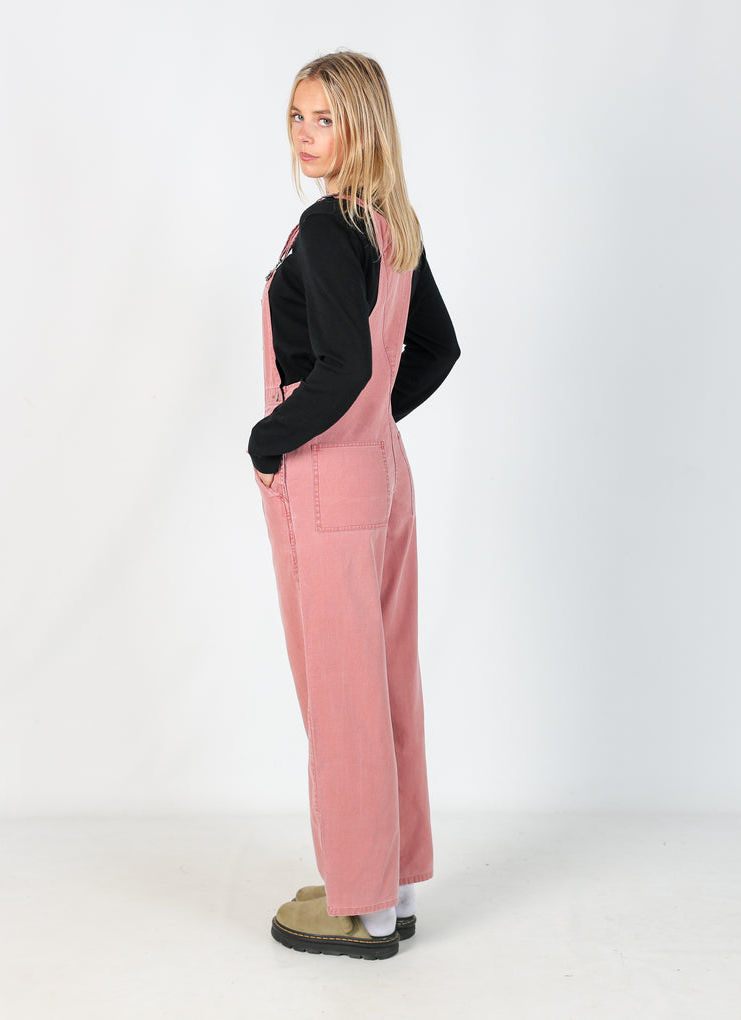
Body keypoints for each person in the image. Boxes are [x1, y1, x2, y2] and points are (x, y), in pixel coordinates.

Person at [247, 50, 460, 960]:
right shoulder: (390, 222)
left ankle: (363, 906)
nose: (305, 135)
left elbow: (343, 368)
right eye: (297, 117)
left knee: (342, 693)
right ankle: (393, 880)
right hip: (382, 474)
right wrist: (373, 414)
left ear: (361, 123)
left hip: (328, 480)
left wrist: (268, 440)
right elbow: (436, 349)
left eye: (324, 118)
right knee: (386, 680)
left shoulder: (328, 226)